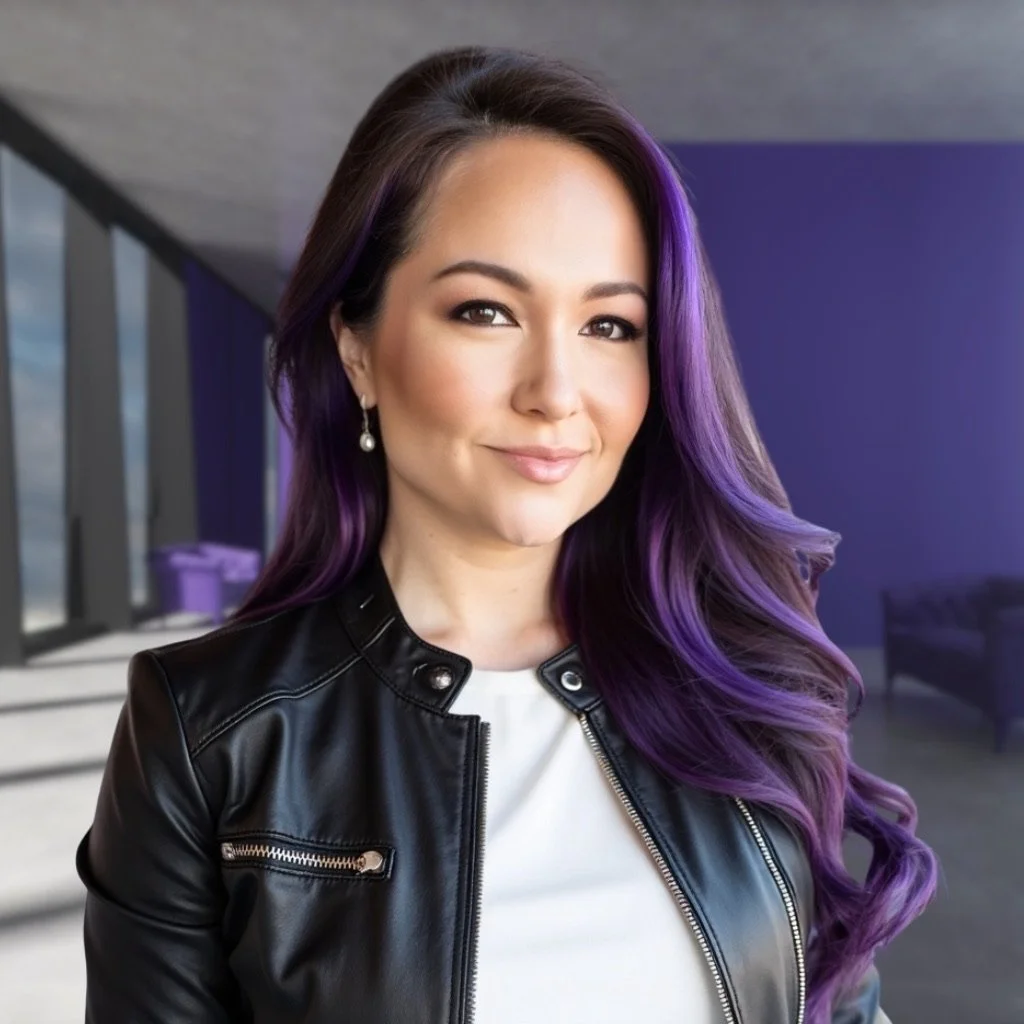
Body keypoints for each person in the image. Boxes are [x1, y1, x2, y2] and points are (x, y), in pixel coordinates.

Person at [75, 45, 936, 1024]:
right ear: (357, 348)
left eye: (609, 326)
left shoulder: (744, 691)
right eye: (484, 311)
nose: (554, 394)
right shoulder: (205, 731)